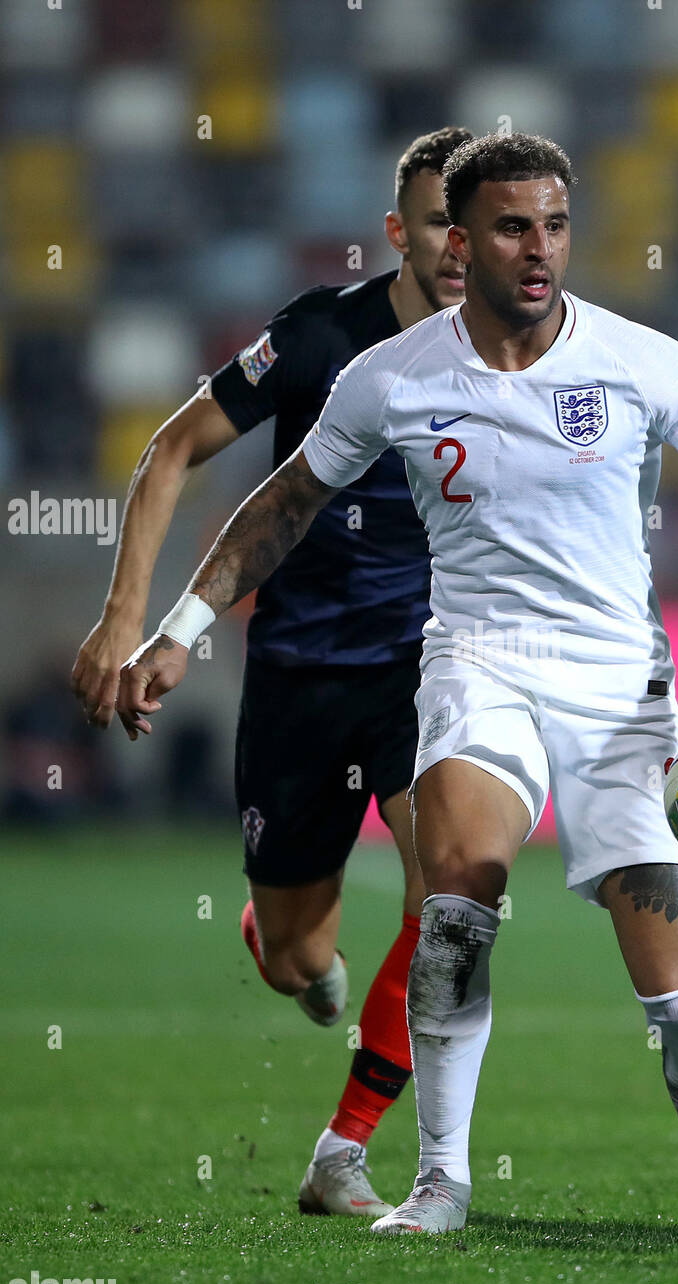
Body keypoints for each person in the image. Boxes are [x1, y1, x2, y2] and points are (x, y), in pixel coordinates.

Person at [117, 133, 678, 1236]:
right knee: (455, 901)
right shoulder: (391, 376)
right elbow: (281, 505)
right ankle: (441, 1178)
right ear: (461, 240)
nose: (538, 248)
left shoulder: (640, 359)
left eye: (554, 224)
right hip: (475, 661)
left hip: (621, 687)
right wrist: (177, 629)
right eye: (512, 227)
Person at [71, 126, 475, 1218]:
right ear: (400, 231)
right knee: (300, 957)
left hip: (430, 667)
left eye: (475, 223)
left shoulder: (520, 356)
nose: (459, 245)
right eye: (439, 220)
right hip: (300, 674)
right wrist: (129, 620)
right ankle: (279, 938)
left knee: (457, 894)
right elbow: (171, 450)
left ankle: (344, 1149)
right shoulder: (318, 338)